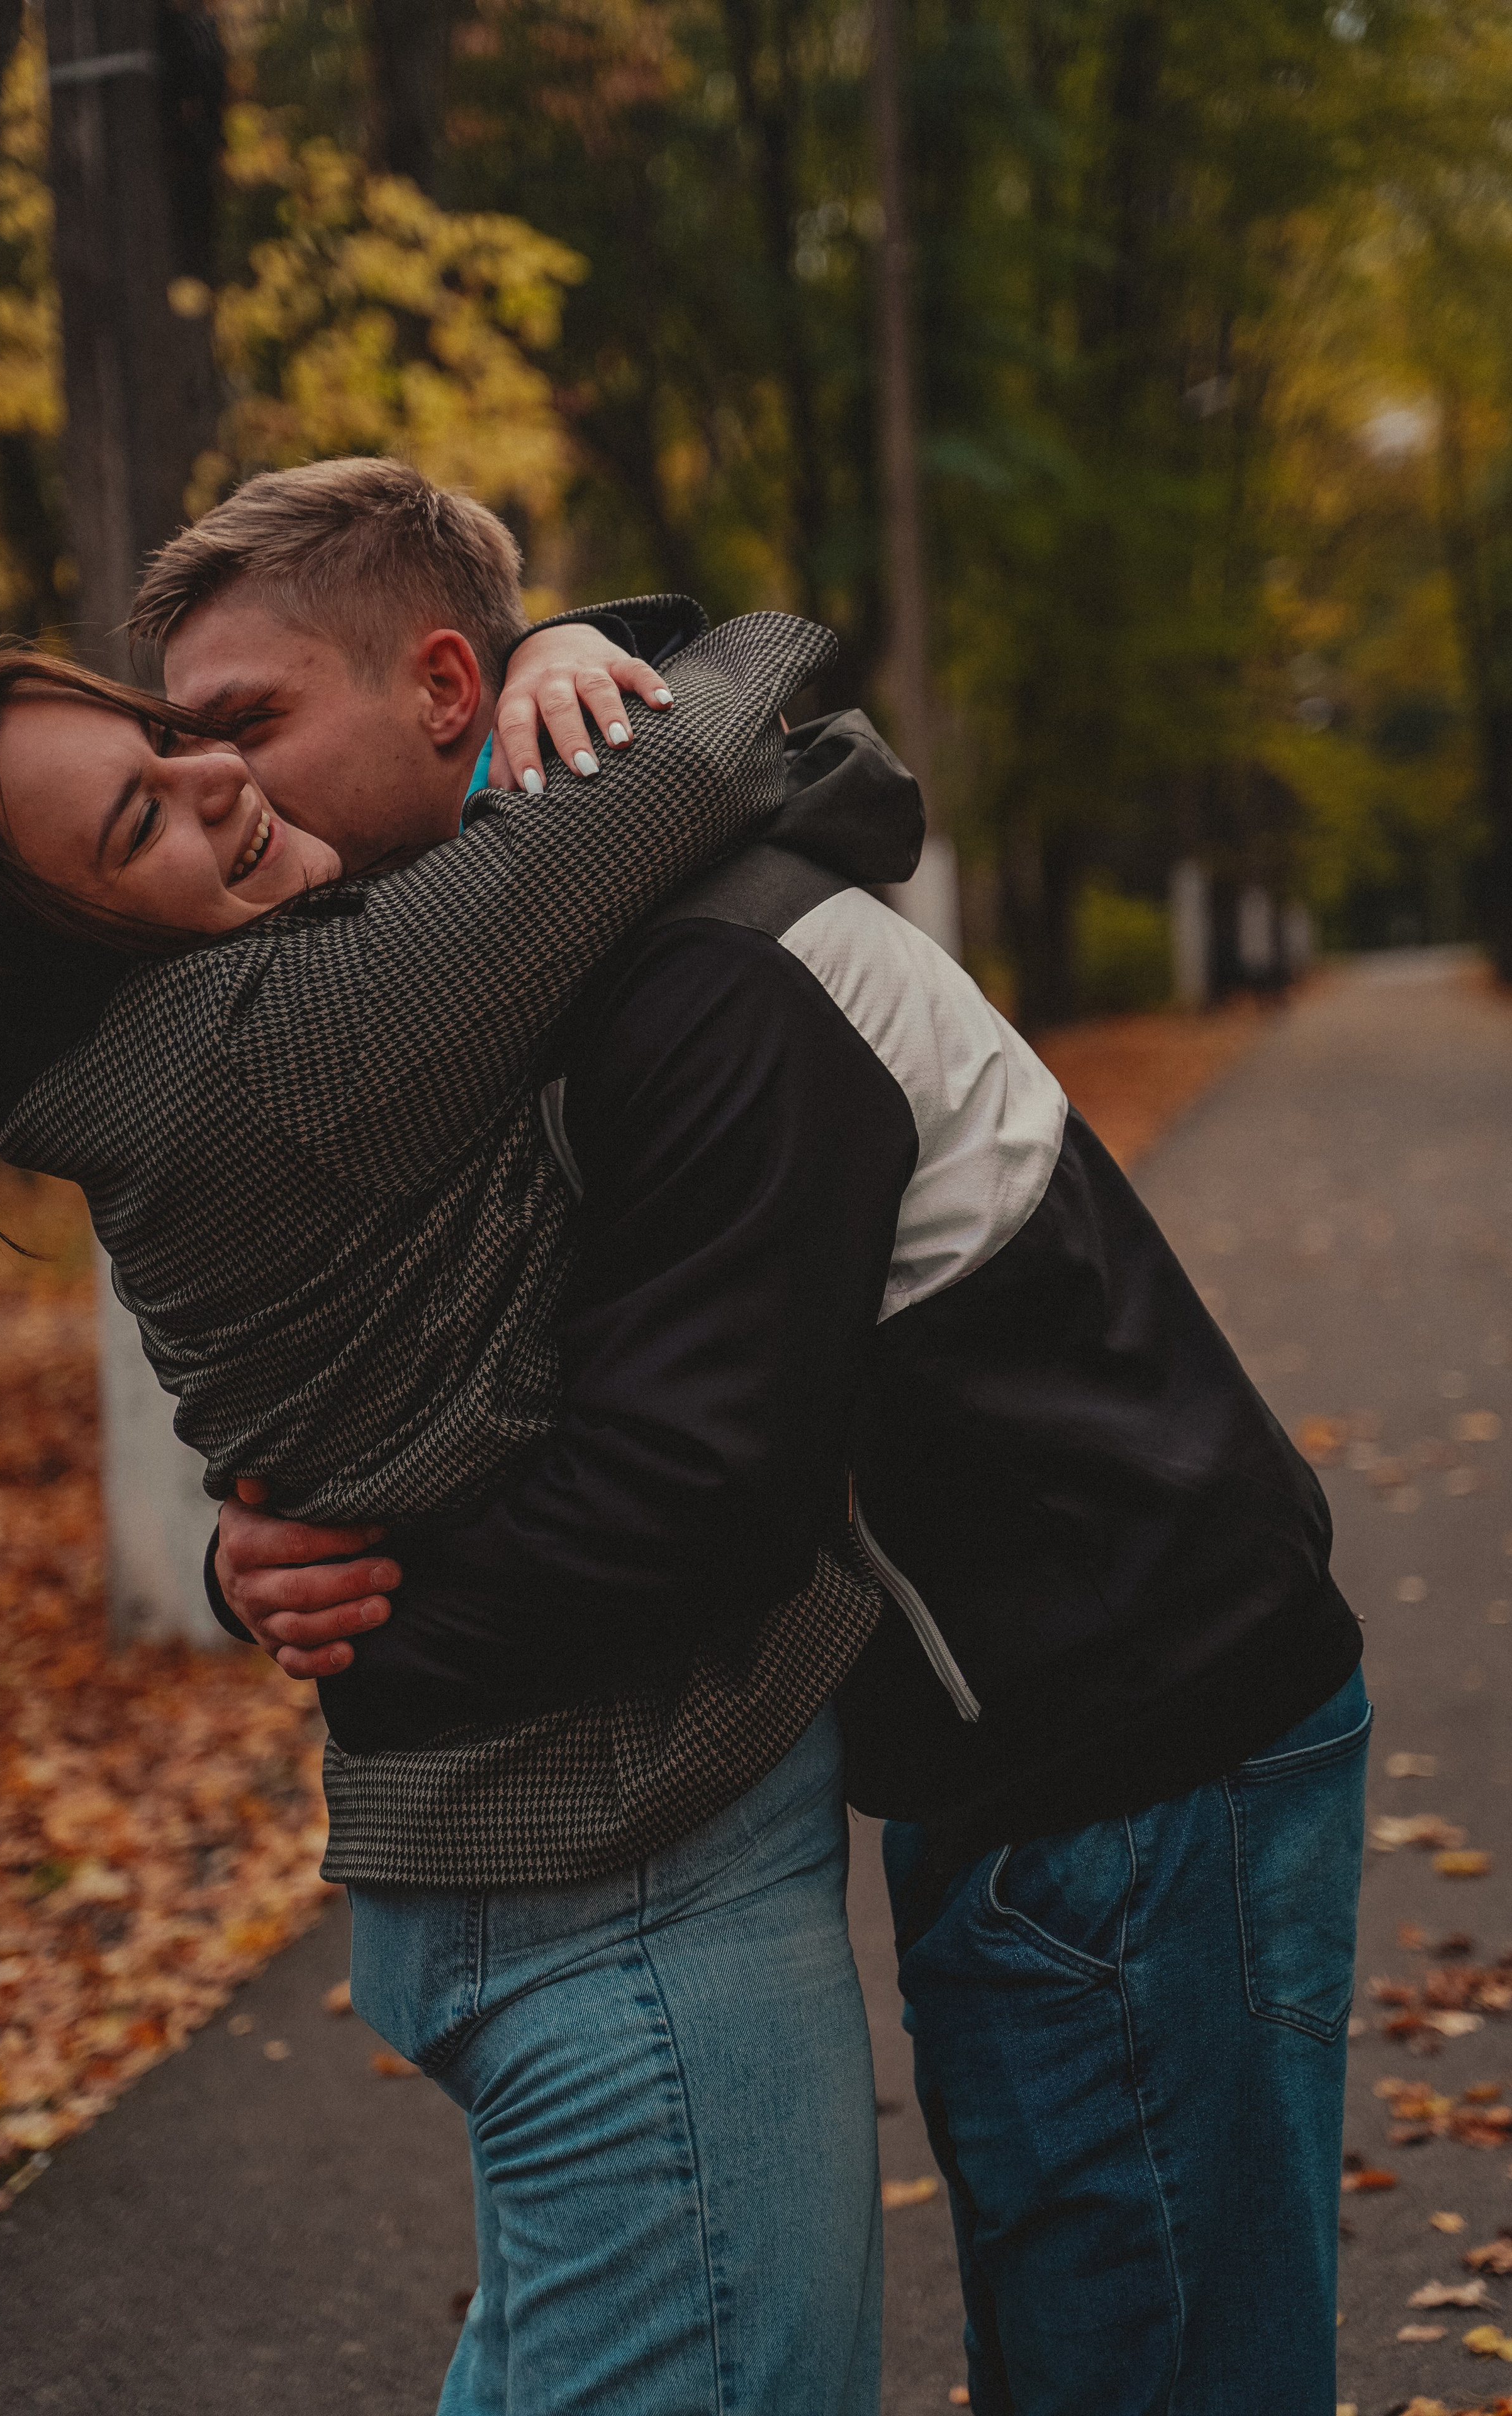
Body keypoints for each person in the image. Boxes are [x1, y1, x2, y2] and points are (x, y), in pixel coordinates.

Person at [179, 466, 1370, 2413]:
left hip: (1136, 1747)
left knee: (1142, 2353)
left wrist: (364, 1622)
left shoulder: (693, 958)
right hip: (1043, 1738)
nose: (222, 787)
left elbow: (691, 1495)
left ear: (453, 689)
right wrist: (268, 1550)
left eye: (248, 724)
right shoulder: (558, 937)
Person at [0, 486, 902, 2412]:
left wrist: (517, 663)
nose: (210, 785)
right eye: (138, 817)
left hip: (524, 1860)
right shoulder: (298, 1041)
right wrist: (586, 651)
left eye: (178, 740)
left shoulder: (182, 1046)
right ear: (46, 949)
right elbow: (722, 722)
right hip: (623, 1875)